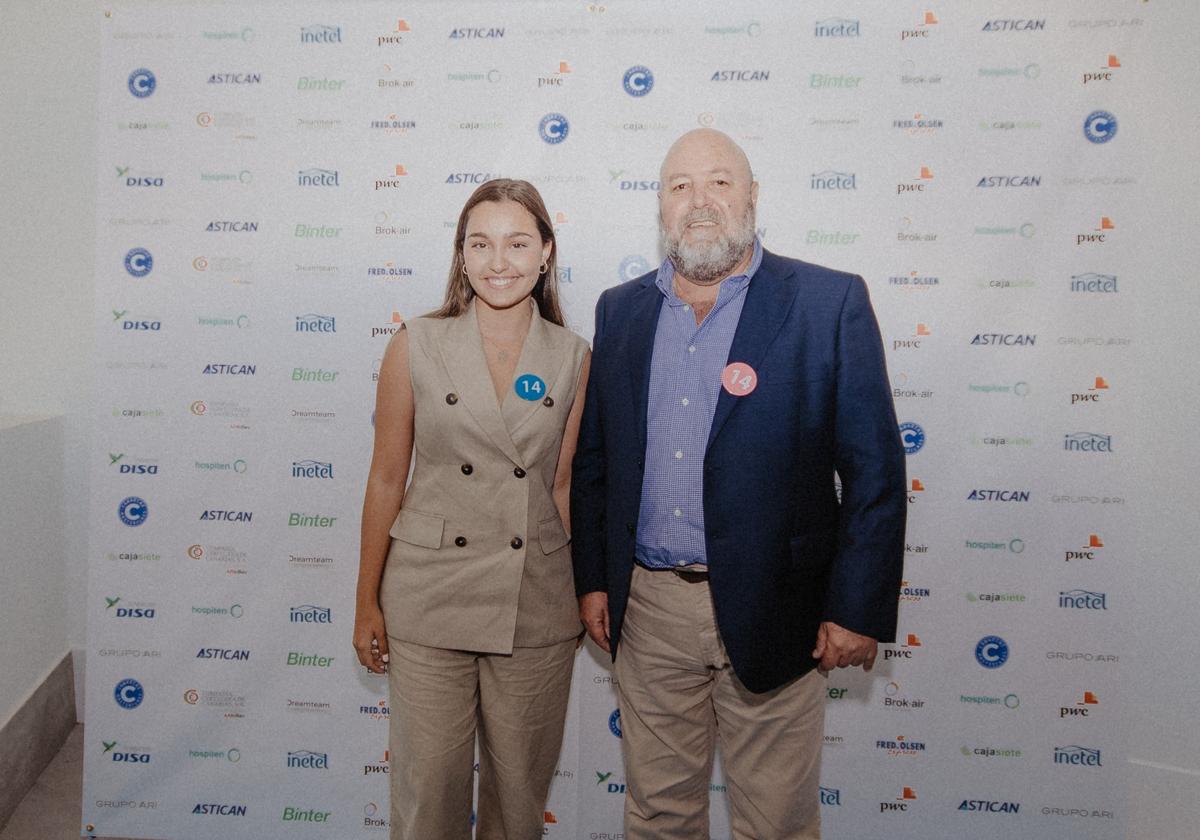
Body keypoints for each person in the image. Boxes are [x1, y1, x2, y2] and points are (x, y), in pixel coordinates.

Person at [571, 129, 906, 840]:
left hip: (779, 608)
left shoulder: (827, 302)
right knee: (659, 819)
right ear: (660, 205)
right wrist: (595, 581)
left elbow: (875, 471)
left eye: (720, 182)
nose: (700, 201)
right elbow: (598, 462)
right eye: (680, 185)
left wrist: (857, 607)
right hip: (650, 610)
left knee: (775, 824)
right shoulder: (620, 311)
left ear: (752, 197)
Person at [354, 178, 590, 840]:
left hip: (535, 605)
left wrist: (579, 596)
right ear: (461, 256)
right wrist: (365, 601)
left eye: (517, 243)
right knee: (429, 799)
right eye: (480, 244)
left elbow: (562, 483)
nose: (498, 261)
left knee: (519, 808)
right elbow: (385, 478)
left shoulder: (573, 357)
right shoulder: (415, 345)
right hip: (428, 597)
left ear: (545, 253)